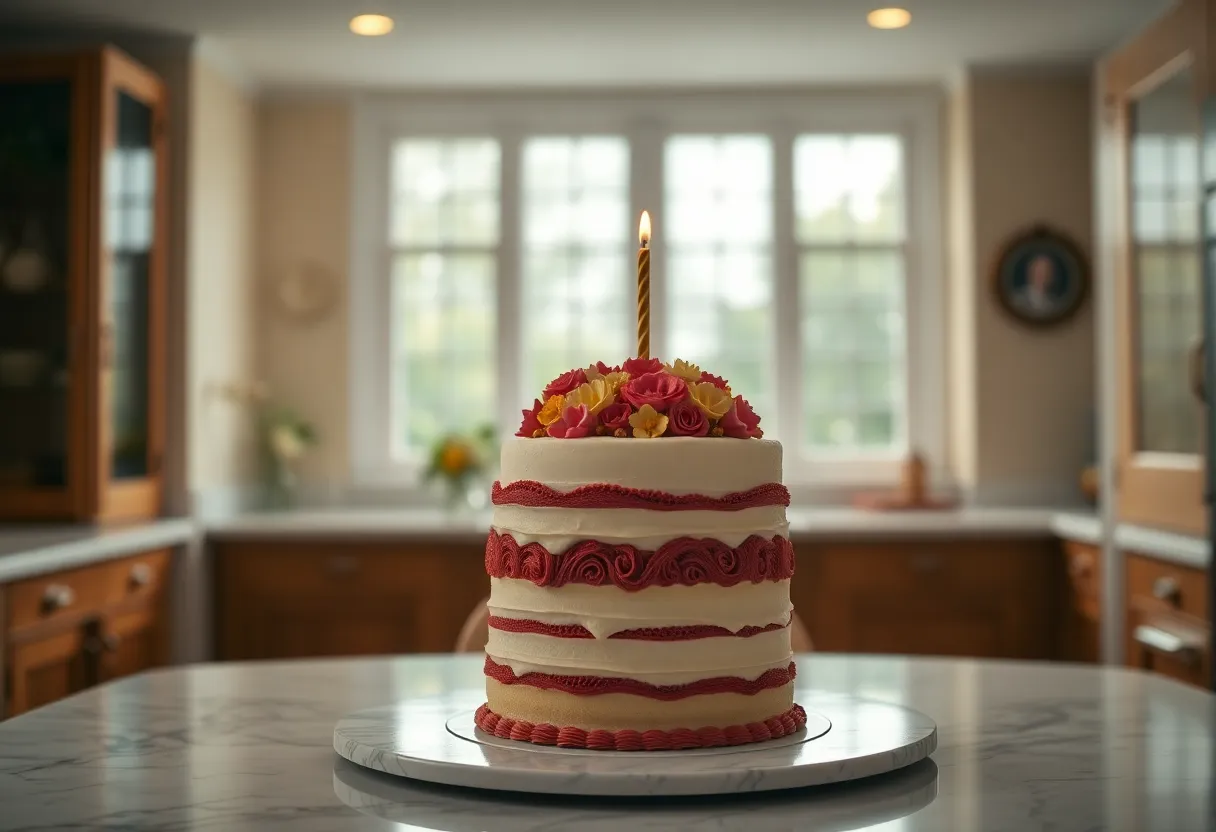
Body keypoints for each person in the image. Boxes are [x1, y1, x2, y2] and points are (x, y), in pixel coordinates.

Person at [1011, 253, 1059, 317]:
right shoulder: (1017, 300)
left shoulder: (1054, 305)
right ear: (1030, 273)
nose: (1043, 276)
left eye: (1046, 271)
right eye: (1039, 271)